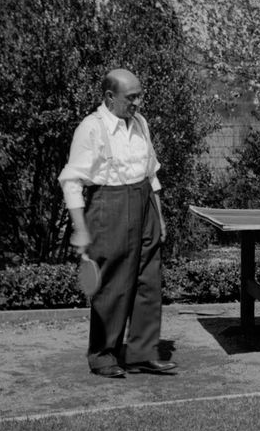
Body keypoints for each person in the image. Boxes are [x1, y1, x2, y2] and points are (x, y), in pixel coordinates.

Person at [58, 68, 177, 377]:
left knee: (148, 282)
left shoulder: (140, 123)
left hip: (145, 204)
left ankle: (141, 353)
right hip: (108, 206)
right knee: (112, 283)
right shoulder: (91, 128)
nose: (138, 102)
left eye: (140, 95)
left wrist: (159, 217)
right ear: (110, 97)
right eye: (131, 97)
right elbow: (71, 181)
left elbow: (151, 174)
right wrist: (80, 227)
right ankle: (103, 355)